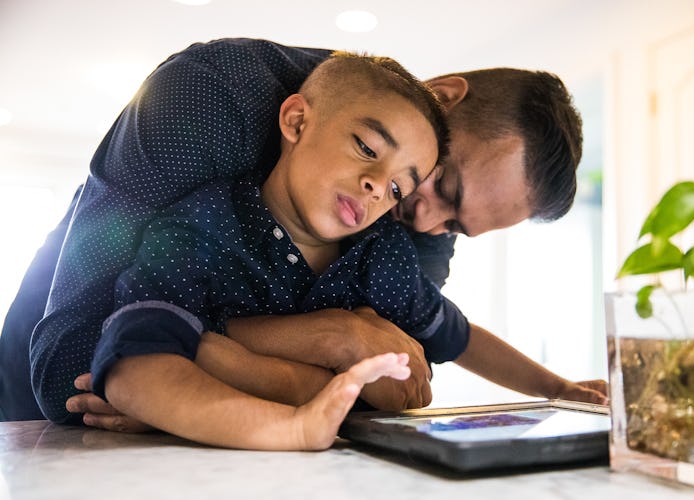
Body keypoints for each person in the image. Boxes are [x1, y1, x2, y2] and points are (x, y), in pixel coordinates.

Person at [0, 38, 605, 426]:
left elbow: (385, 385)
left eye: (455, 227)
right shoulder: (210, 99)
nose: (426, 222)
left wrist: (192, 380)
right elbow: (73, 367)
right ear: (440, 98)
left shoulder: (415, 217)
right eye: (444, 190)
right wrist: (326, 343)